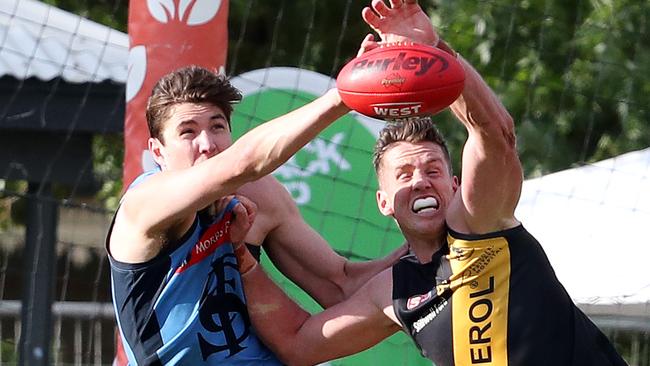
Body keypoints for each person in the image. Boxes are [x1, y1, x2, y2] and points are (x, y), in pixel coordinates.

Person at [232, 1, 628, 365]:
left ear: (455, 186)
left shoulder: (481, 223)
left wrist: (433, 49)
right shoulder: (393, 291)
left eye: (433, 171)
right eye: (404, 175)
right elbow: (299, 343)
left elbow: (494, 131)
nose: (420, 181)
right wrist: (241, 259)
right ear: (384, 202)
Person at [106, 65, 405, 365]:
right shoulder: (145, 205)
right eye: (188, 132)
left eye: (217, 127)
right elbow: (242, 164)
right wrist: (344, 96)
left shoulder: (257, 193)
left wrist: (433, 252)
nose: (208, 145)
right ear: (157, 152)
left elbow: (341, 286)